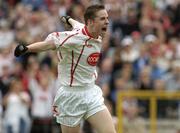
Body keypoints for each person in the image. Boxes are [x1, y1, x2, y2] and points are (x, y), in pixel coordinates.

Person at [14, 4, 116, 133]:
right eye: (102, 19)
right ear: (90, 22)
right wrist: (27, 48)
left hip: (90, 92)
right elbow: (48, 45)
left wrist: (67, 19)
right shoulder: (73, 38)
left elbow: (76, 23)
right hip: (71, 96)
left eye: (107, 18)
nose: (107, 22)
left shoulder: (93, 33)